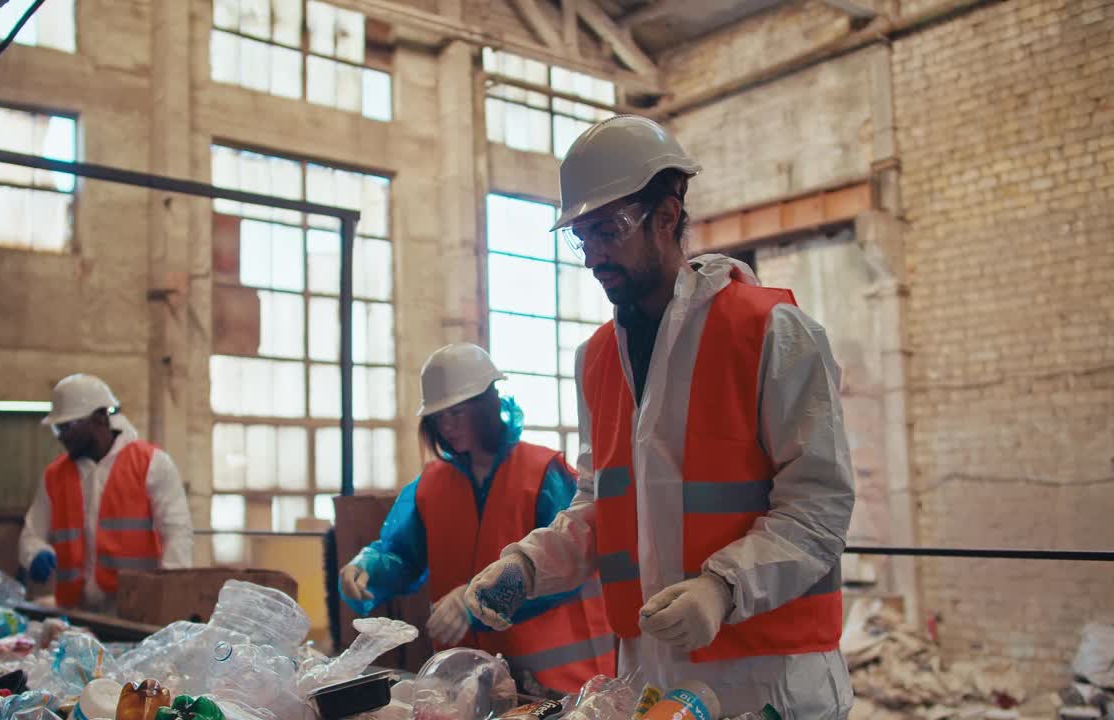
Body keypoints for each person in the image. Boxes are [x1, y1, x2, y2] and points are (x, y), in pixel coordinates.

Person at [463, 116, 855, 719]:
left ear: (668, 216)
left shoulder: (773, 334)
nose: (593, 254)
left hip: (766, 672)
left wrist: (722, 586)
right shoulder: (595, 359)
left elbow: (819, 507)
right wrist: (527, 564)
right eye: (580, 236)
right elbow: (601, 504)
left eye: (608, 230)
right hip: (650, 674)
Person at [338, 343, 614, 695]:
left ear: (489, 403)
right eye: (439, 417)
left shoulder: (546, 474)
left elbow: (573, 564)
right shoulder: (430, 486)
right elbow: (402, 556)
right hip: (468, 686)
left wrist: (476, 600)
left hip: (556, 684)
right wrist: (369, 569)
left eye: (457, 413)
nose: (447, 426)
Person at [19, 374, 193, 612]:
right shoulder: (55, 476)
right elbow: (31, 535)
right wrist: (36, 553)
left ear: (100, 418)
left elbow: (177, 534)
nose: (62, 437)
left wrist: (170, 597)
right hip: (77, 613)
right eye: (57, 429)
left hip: (134, 609)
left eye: (68, 427)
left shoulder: (152, 464)